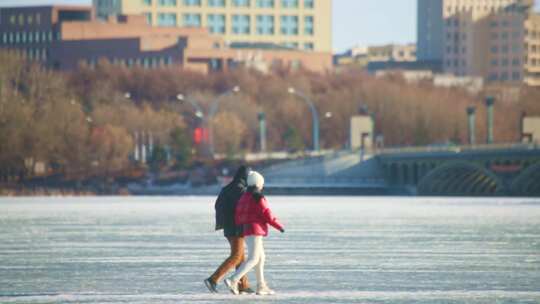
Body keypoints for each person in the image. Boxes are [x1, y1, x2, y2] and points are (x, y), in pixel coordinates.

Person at [224, 171, 284, 296]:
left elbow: (238, 215)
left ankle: (261, 286)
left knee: (261, 258)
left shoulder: (244, 196)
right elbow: (267, 213)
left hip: (246, 229)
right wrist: (279, 226)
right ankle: (233, 280)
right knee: (254, 258)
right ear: (258, 183)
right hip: (255, 230)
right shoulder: (258, 196)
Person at [204, 166, 253, 294]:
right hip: (236, 227)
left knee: (240, 256)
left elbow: (218, 205)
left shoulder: (229, 187)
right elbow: (244, 209)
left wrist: (224, 222)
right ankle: (213, 279)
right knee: (236, 255)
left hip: (229, 226)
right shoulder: (240, 189)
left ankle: (243, 284)